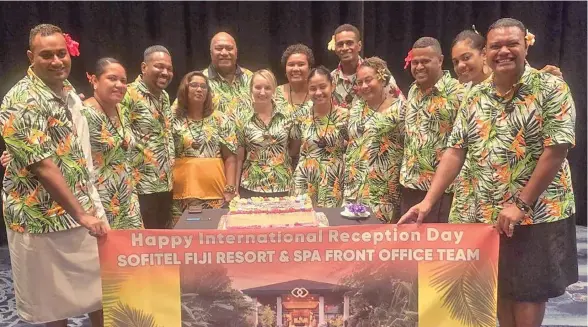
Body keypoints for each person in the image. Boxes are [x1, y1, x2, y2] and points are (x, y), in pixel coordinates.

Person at [399, 18, 578, 327]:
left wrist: (520, 204)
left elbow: (556, 150)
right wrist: (427, 202)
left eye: (512, 44)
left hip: (536, 213)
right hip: (485, 215)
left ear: (525, 46)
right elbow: (455, 150)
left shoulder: (551, 88)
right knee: (497, 288)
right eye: (496, 46)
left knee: (527, 291)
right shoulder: (475, 96)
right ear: (486, 52)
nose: (503, 51)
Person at [0, 23, 108, 326]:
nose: (57, 61)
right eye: (47, 55)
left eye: (62, 53)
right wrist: (81, 215)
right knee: (52, 306)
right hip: (41, 219)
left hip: (79, 210)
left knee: (100, 292)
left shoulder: (66, 89)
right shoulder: (21, 100)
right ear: (30, 57)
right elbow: (42, 165)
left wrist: (89, 208)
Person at [399, 37, 464, 223]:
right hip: (410, 185)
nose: (419, 67)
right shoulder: (412, 91)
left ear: (441, 60)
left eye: (425, 61)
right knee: (412, 249)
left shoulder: (458, 92)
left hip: (442, 191)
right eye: (415, 62)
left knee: (438, 249)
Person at [82, 57, 143, 229]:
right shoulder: (84, 113)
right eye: (112, 78)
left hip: (128, 200)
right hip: (100, 203)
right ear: (94, 80)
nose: (119, 84)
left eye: (123, 80)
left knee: (131, 255)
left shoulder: (122, 109)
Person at [343, 57, 405, 222]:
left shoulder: (400, 109)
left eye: (368, 80)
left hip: (381, 193)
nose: (364, 86)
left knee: (378, 242)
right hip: (352, 189)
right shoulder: (356, 108)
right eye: (360, 82)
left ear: (382, 78)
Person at [171, 71, 238, 223]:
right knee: (183, 239)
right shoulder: (173, 119)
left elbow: (230, 157)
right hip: (182, 193)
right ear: (185, 89)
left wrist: (230, 190)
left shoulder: (220, 119)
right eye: (194, 85)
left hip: (215, 192)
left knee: (212, 240)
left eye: (203, 86)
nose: (199, 89)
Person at [121, 45, 175, 229]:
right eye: (159, 66)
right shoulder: (127, 94)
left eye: (169, 68)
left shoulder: (165, 97)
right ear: (144, 67)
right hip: (140, 187)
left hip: (165, 185)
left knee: (162, 244)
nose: (165, 72)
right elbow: (121, 139)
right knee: (145, 247)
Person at [234, 69, 300, 198]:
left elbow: (294, 149)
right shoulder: (242, 118)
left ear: (274, 90)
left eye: (267, 88)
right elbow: (239, 158)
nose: (262, 92)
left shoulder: (288, 115)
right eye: (258, 87)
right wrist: (235, 189)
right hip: (250, 186)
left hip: (282, 185)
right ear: (251, 89)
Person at [292, 66, 348, 207]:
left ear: (332, 86)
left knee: (330, 225)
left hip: (333, 180)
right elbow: (293, 148)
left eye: (323, 87)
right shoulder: (301, 115)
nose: (318, 92)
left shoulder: (345, 116)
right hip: (304, 179)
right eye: (313, 88)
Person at [451, 27, 563, 86]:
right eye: (455, 62)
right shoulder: (462, 93)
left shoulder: (516, 81)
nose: (460, 65)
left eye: (466, 57)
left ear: (484, 54)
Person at [329, 24, 403, 108]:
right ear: (335, 48)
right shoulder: (330, 80)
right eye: (340, 44)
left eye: (349, 43)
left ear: (359, 46)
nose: (345, 48)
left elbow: (401, 105)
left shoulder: (377, 72)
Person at [275, 44, 315, 113]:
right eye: (291, 65)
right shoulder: (275, 94)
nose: (295, 69)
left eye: (301, 64)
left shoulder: (318, 93)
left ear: (309, 68)